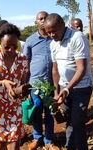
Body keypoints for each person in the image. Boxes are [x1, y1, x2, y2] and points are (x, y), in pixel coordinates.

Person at [44, 13, 93, 150]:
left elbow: (81, 69)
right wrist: (57, 91)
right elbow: (55, 69)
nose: (52, 35)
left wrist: (66, 89)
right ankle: (70, 146)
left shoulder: (77, 38)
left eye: (54, 31)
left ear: (62, 25)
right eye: (49, 33)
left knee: (77, 122)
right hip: (64, 88)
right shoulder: (53, 43)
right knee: (70, 121)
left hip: (81, 87)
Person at [22, 11, 59, 150]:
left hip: (51, 84)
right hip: (35, 84)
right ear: (36, 22)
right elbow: (26, 62)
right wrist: (24, 85)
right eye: (40, 19)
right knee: (36, 111)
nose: (43, 21)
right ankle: (37, 138)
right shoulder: (31, 40)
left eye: (45, 18)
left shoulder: (55, 38)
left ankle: (49, 141)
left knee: (50, 112)